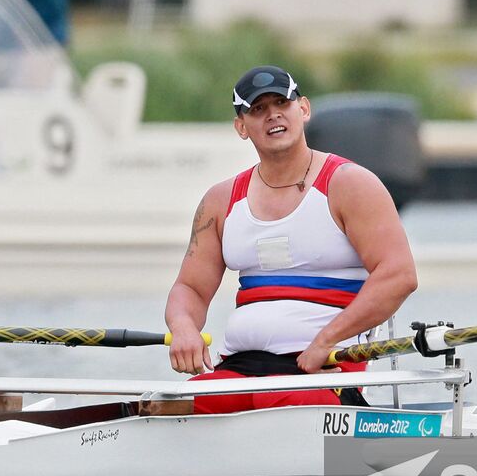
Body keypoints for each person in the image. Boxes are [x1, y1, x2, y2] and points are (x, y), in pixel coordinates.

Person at [165, 65, 418, 413]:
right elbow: (189, 289)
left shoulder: (350, 185)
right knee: (164, 406)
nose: (273, 115)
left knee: (277, 401)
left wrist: (324, 340)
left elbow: (399, 276)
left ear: (303, 109)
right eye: (258, 109)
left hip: (321, 369)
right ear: (241, 127)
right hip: (240, 369)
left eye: (282, 103)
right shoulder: (220, 201)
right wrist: (184, 329)